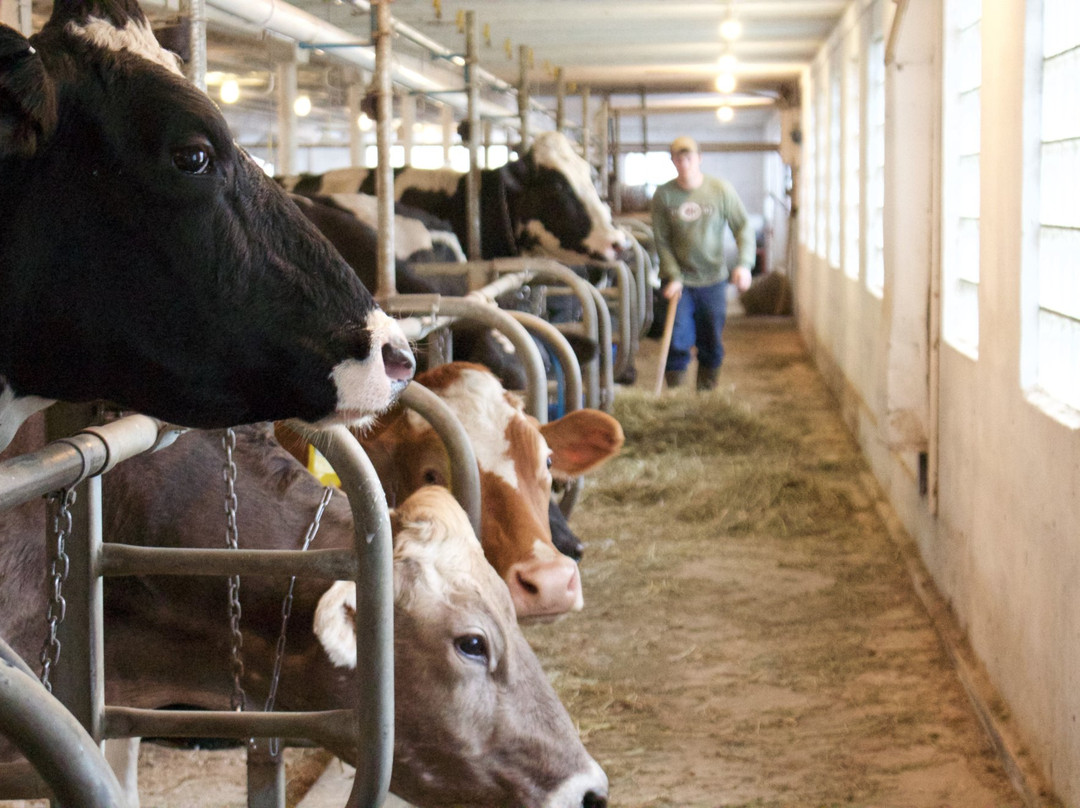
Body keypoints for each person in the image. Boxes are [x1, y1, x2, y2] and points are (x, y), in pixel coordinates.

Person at [651, 135, 755, 391]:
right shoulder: (664, 195)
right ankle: (675, 397)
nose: (684, 163)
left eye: (689, 157)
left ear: (699, 158)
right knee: (677, 339)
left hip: (713, 280)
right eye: (678, 158)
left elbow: (742, 227)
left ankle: (706, 399)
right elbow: (661, 241)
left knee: (711, 341)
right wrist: (673, 274)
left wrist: (744, 263)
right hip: (679, 282)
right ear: (672, 161)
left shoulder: (720, 190)